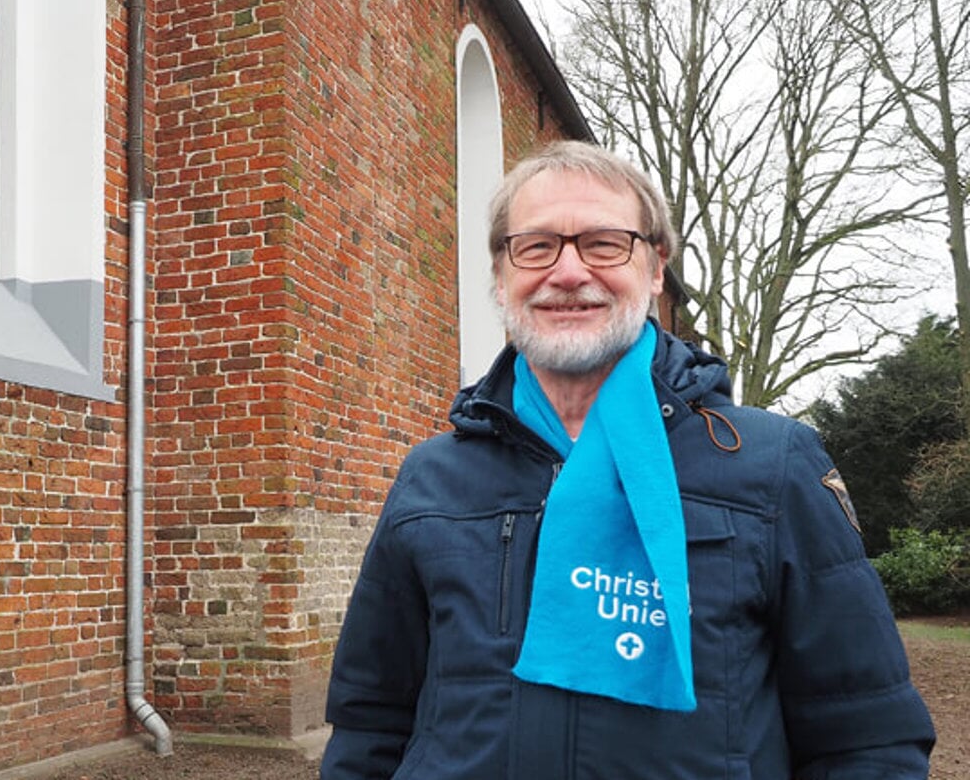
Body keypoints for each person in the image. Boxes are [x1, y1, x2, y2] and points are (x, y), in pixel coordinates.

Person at [320, 141, 935, 779]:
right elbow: (371, 722)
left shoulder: (772, 465)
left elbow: (866, 737)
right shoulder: (432, 477)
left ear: (655, 267)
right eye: (536, 246)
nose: (567, 272)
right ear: (502, 275)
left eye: (604, 244)